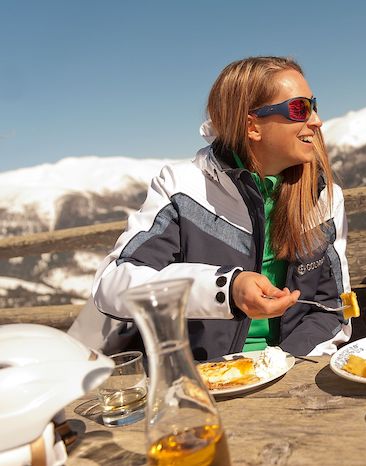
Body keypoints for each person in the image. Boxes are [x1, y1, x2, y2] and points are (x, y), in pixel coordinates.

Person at [69, 56, 351, 359]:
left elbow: (334, 307)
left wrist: (283, 362)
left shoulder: (323, 196)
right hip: (202, 377)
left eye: (314, 105)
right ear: (252, 126)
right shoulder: (183, 189)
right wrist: (226, 289)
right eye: (299, 109)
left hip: (292, 367)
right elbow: (114, 284)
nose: (317, 121)